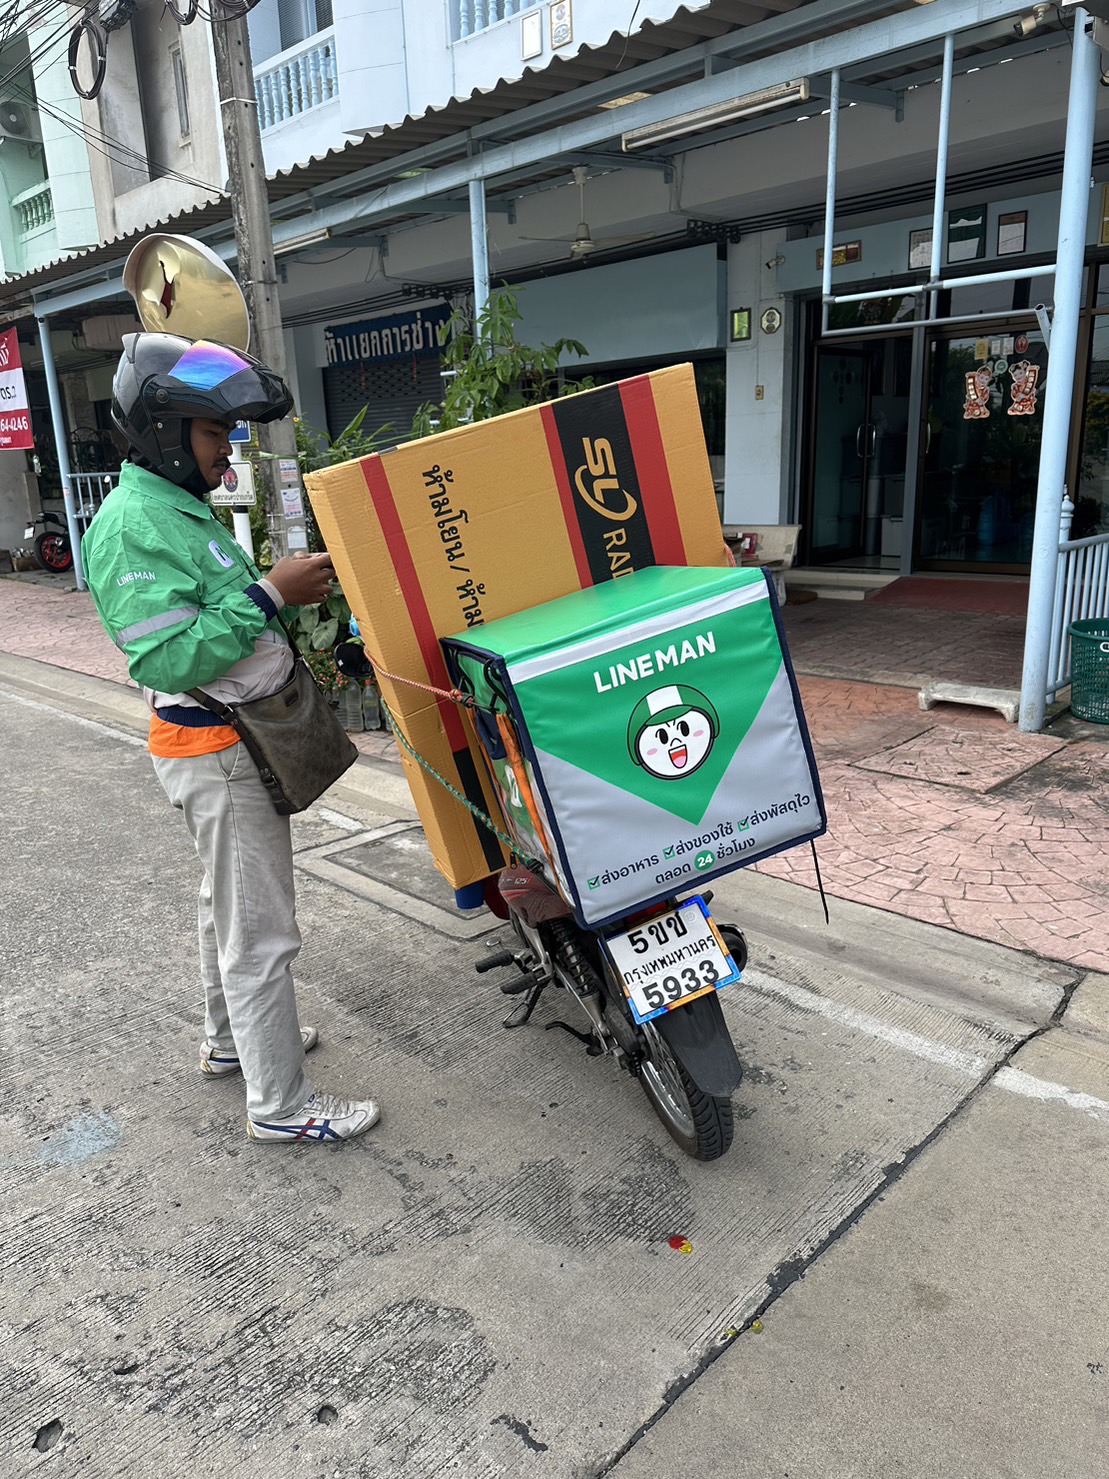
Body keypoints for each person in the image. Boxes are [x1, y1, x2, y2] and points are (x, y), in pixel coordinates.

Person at [82, 332, 380, 1144]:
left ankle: (227, 1043)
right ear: (165, 432)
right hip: (219, 750)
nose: (228, 449)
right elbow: (167, 656)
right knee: (260, 932)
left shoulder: (176, 509)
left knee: (226, 907)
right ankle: (281, 1105)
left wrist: (275, 596)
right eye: (216, 432)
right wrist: (270, 595)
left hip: (227, 743)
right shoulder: (134, 526)